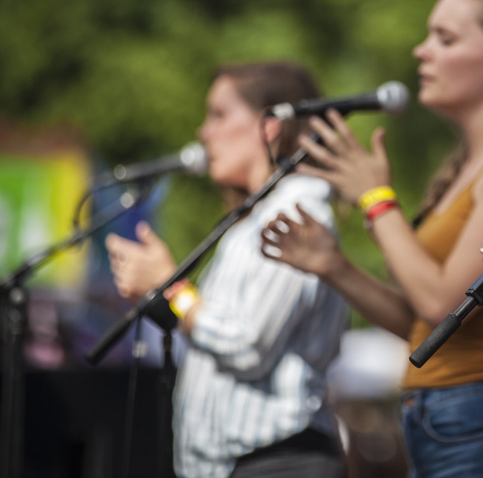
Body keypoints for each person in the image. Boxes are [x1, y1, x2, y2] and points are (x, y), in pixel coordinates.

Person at [260, 0, 483, 477]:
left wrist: (376, 199)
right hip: (446, 420)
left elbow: (440, 303)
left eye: (445, 39)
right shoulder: (465, 167)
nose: (421, 50)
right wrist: (334, 265)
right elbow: (422, 324)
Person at [106, 62, 349, 478]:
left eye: (219, 115)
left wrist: (174, 289)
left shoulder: (296, 213)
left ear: (269, 125)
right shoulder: (252, 220)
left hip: (279, 462)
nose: (204, 133)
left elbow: (247, 346)